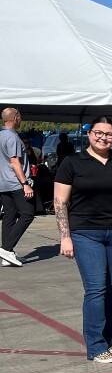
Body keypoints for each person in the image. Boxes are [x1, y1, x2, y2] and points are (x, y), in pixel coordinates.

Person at [53, 116, 112, 364]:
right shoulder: (73, 162)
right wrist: (65, 237)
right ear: (89, 134)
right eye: (98, 132)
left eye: (108, 134)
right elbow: (60, 202)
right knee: (96, 288)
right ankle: (95, 346)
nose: (103, 137)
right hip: (85, 233)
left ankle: (106, 339)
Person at [0, 107, 35, 267]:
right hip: (15, 182)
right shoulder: (12, 137)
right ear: (15, 118)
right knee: (28, 214)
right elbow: (15, 162)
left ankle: (8, 254)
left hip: (3, 182)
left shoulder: (1, 135)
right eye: (20, 116)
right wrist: (25, 184)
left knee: (9, 215)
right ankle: (6, 248)